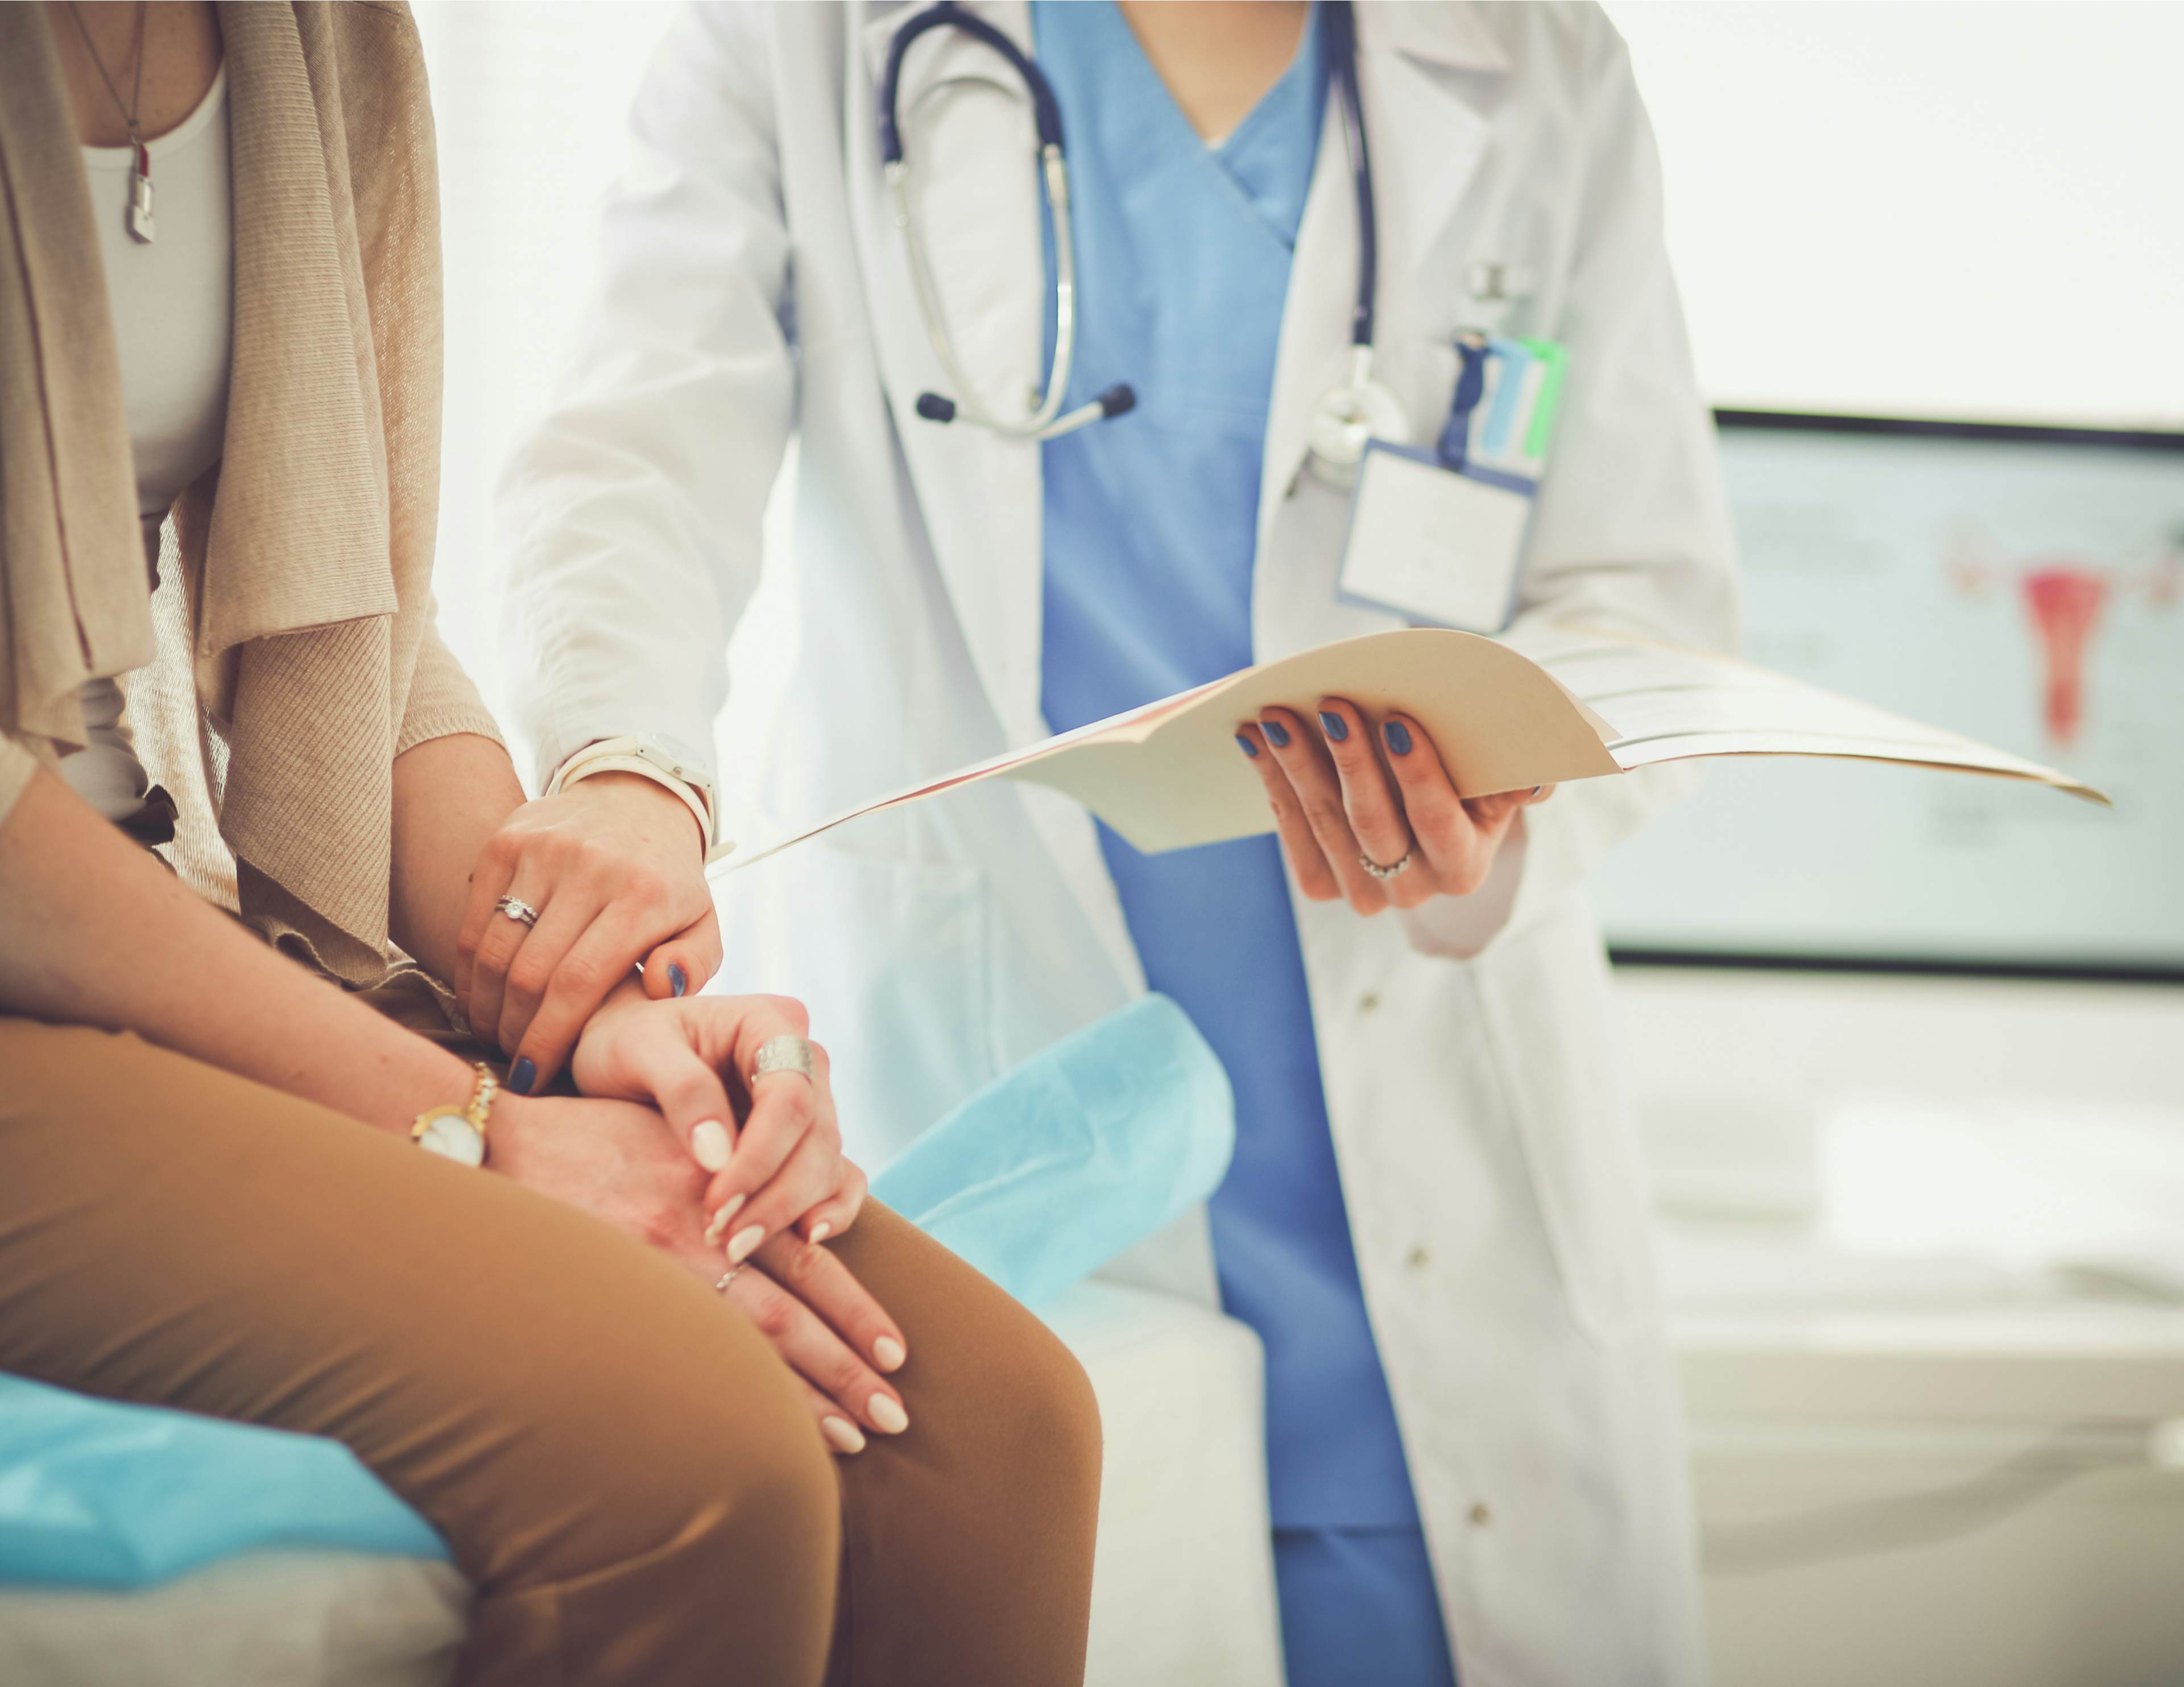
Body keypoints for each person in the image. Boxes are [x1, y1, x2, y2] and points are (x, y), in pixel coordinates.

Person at [494, 2, 1738, 1681]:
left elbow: (1646, 596)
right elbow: (639, 445)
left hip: (1429, 1189)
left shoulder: (1532, 62)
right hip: (1002, 1095)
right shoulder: (809, 32)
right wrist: (627, 767)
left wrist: (1507, 793)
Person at [0, 6, 1101, 1685]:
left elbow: (352, 618)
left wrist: (572, 997)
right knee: (695, 1462)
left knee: (998, 1436)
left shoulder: (318, 40)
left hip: (151, 918)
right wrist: (474, 1129)